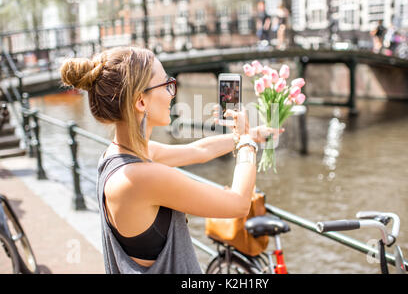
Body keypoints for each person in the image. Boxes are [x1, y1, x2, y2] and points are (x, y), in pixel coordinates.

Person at [60, 46, 284, 274]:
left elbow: (199, 151)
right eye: (167, 85)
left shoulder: (120, 155)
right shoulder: (142, 178)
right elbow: (237, 204)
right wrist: (247, 144)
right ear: (141, 102)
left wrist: (250, 134)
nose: (172, 93)